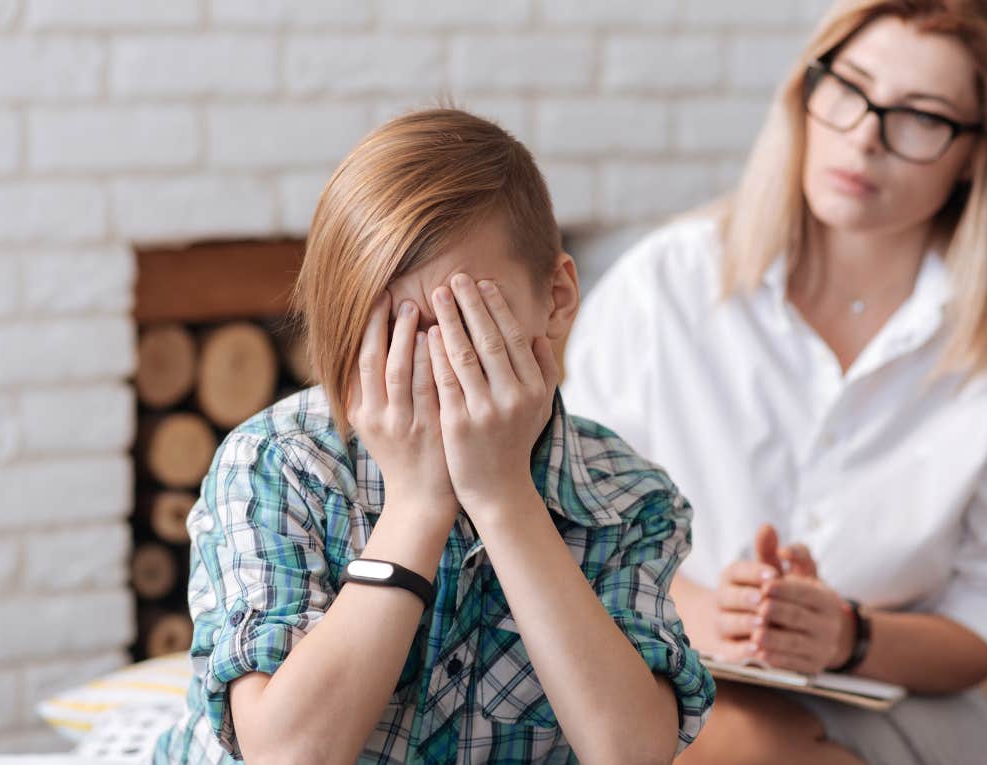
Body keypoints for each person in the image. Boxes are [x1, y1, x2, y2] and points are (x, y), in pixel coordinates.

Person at [560, 1, 987, 763]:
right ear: (805, 91)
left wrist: (847, 632)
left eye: (922, 116)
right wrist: (710, 613)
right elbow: (574, 531)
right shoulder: (666, 286)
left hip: (893, 699)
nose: (864, 137)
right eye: (849, 88)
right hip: (670, 669)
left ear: (981, 152)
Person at [153, 107, 714, 764]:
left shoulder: (626, 498)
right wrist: (418, 505)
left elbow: (632, 752)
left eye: (463, 321)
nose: (417, 367)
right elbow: (287, 754)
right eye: (384, 333)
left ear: (556, 297)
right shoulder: (279, 464)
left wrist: (505, 497)